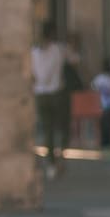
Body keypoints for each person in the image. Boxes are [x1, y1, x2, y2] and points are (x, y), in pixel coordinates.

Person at [31, 21, 70, 179]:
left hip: (40, 93)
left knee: (47, 129)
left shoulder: (33, 52)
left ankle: (51, 163)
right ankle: (60, 156)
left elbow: (34, 74)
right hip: (57, 93)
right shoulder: (58, 50)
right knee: (61, 126)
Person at [92, 57, 110, 151]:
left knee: (105, 124)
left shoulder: (100, 78)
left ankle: (105, 142)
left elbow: (93, 86)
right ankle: (107, 142)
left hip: (105, 105)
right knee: (108, 125)